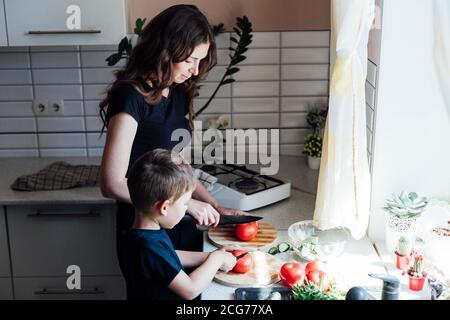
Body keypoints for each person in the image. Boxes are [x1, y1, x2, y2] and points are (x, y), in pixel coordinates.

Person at [99, 4, 246, 275]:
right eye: (190, 59)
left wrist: (214, 206)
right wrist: (188, 203)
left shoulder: (178, 93)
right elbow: (111, 184)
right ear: (165, 51)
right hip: (145, 231)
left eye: (200, 61)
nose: (195, 69)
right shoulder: (130, 97)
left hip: (180, 223)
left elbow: (177, 165)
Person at [123, 149, 236, 300]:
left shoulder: (146, 233)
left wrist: (209, 256)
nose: (186, 209)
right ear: (164, 207)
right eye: (185, 203)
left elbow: (170, 257)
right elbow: (190, 289)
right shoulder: (147, 245)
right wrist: (216, 259)